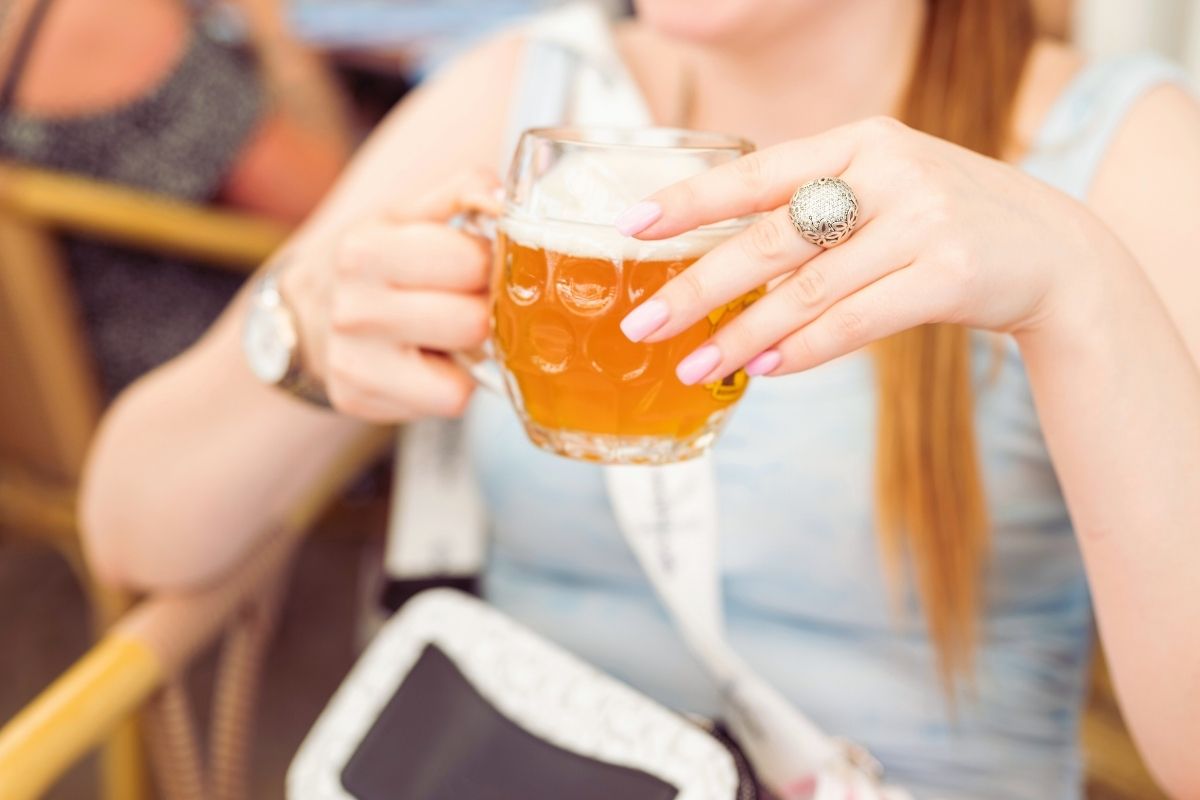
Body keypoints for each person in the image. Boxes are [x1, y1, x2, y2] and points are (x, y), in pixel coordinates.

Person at [80, 0, 1200, 797]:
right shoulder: (531, 90)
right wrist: (300, 347)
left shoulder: (1122, 155)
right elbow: (132, 530)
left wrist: (1083, 293)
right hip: (509, 759)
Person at [0, 0, 353, 396]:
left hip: (55, 377)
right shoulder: (102, 18)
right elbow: (330, 207)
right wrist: (276, 31)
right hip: (208, 372)